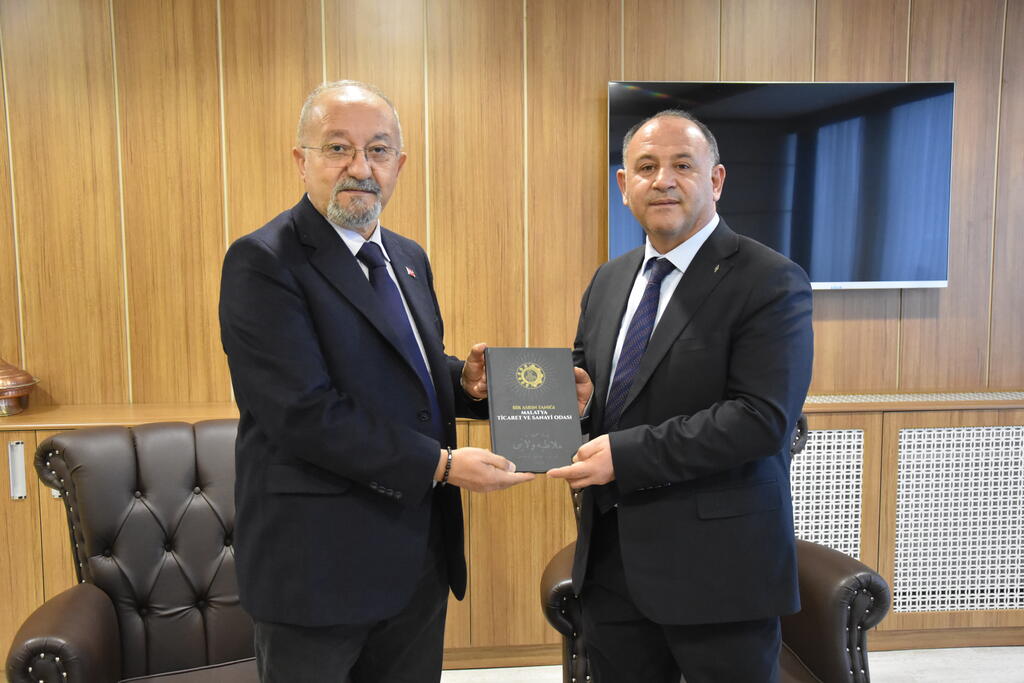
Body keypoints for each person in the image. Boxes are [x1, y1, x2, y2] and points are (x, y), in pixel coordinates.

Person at [219, 80, 534, 683]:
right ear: (301, 160)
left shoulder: (408, 257)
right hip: (316, 570)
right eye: (338, 148)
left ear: (400, 164)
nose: (361, 168)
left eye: (379, 150)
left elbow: (400, 370)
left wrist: (467, 384)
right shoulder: (264, 261)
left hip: (416, 561)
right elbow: (303, 412)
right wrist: (441, 465)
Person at [548, 109, 814, 682]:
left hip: (720, 573)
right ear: (625, 186)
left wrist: (625, 455)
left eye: (683, 165)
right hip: (612, 568)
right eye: (646, 167)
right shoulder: (609, 280)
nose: (663, 180)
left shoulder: (769, 279)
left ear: (715, 180)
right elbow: (595, 388)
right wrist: (578, 400)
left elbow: (761, 418)